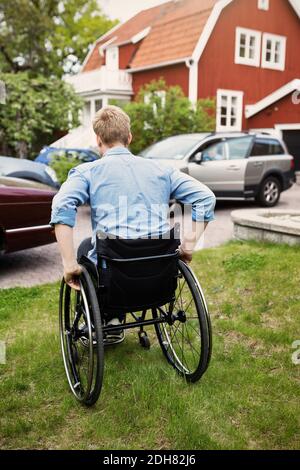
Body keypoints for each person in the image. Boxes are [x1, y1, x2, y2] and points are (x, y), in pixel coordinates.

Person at [50, 105, 216, 335]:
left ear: (98, 140)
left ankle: (107, 319)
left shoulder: (87, 172)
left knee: (87, 246)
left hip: (116, 267)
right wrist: (188, 245)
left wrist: (69, 265)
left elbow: (61, 205)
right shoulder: (162, 170)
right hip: (159, 265)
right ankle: (115, 317)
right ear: (129, 137)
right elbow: (206, 197)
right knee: (104, 246)